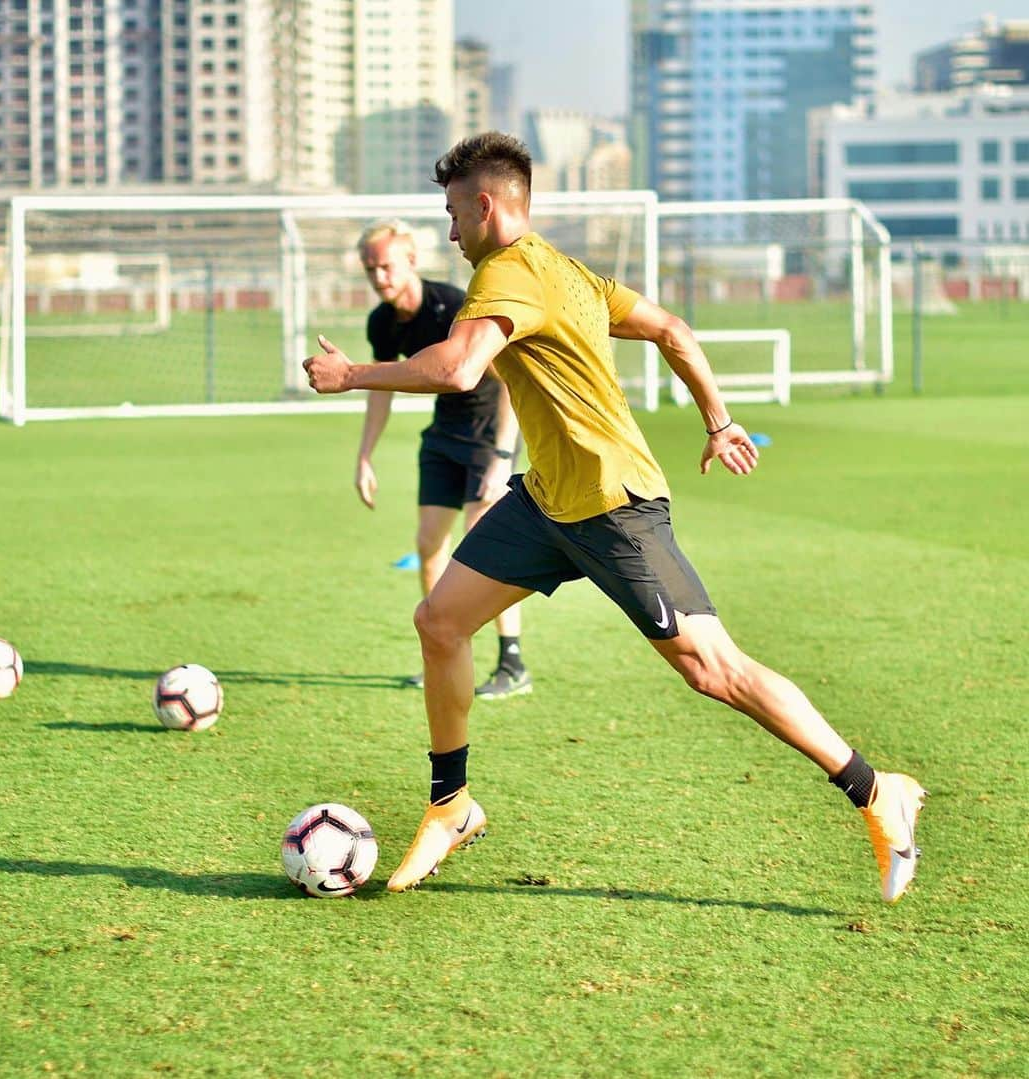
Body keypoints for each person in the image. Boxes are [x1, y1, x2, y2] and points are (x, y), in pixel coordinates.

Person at [305, 132, 925, 902]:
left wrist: (351, 374)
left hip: (614, 505)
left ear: (487, 204)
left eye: (454, 212)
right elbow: (673, 330)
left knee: (714, 669)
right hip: (546, 502)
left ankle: (875, 789)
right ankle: (450, 806)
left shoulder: (507, 273)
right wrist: (718, 419)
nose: (451, 230)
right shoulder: (569, 274)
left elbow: (460, 368)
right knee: (439, 622)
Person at [353, 218, 532, 700]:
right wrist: (365, 455)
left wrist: (500, 455)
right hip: (444, 433)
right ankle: (446, 654)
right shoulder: (382, 322)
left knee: (482, 545)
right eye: (370, 269)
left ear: (410, 261)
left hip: (486, 433)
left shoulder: (454, 307)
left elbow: (510, 379)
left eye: (386, 266)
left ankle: (512, 661)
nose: (379, 277)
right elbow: (381, 386)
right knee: (430, 543)